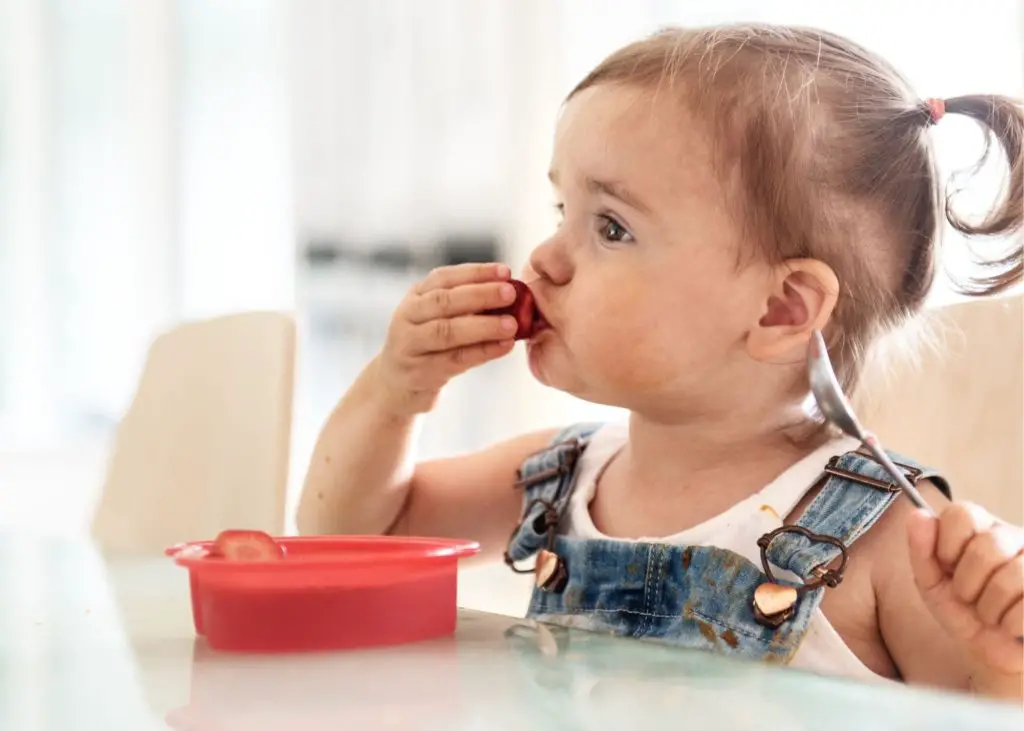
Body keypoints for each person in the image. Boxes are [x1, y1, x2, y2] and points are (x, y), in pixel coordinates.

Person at [297, 24, 1023, 699]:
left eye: (611, 227)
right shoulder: (563, 475)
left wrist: (999, 661)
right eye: (561, 212)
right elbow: (353, 544)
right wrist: (395, 390)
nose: (545, 259)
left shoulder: (888, 536)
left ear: (782, 309)